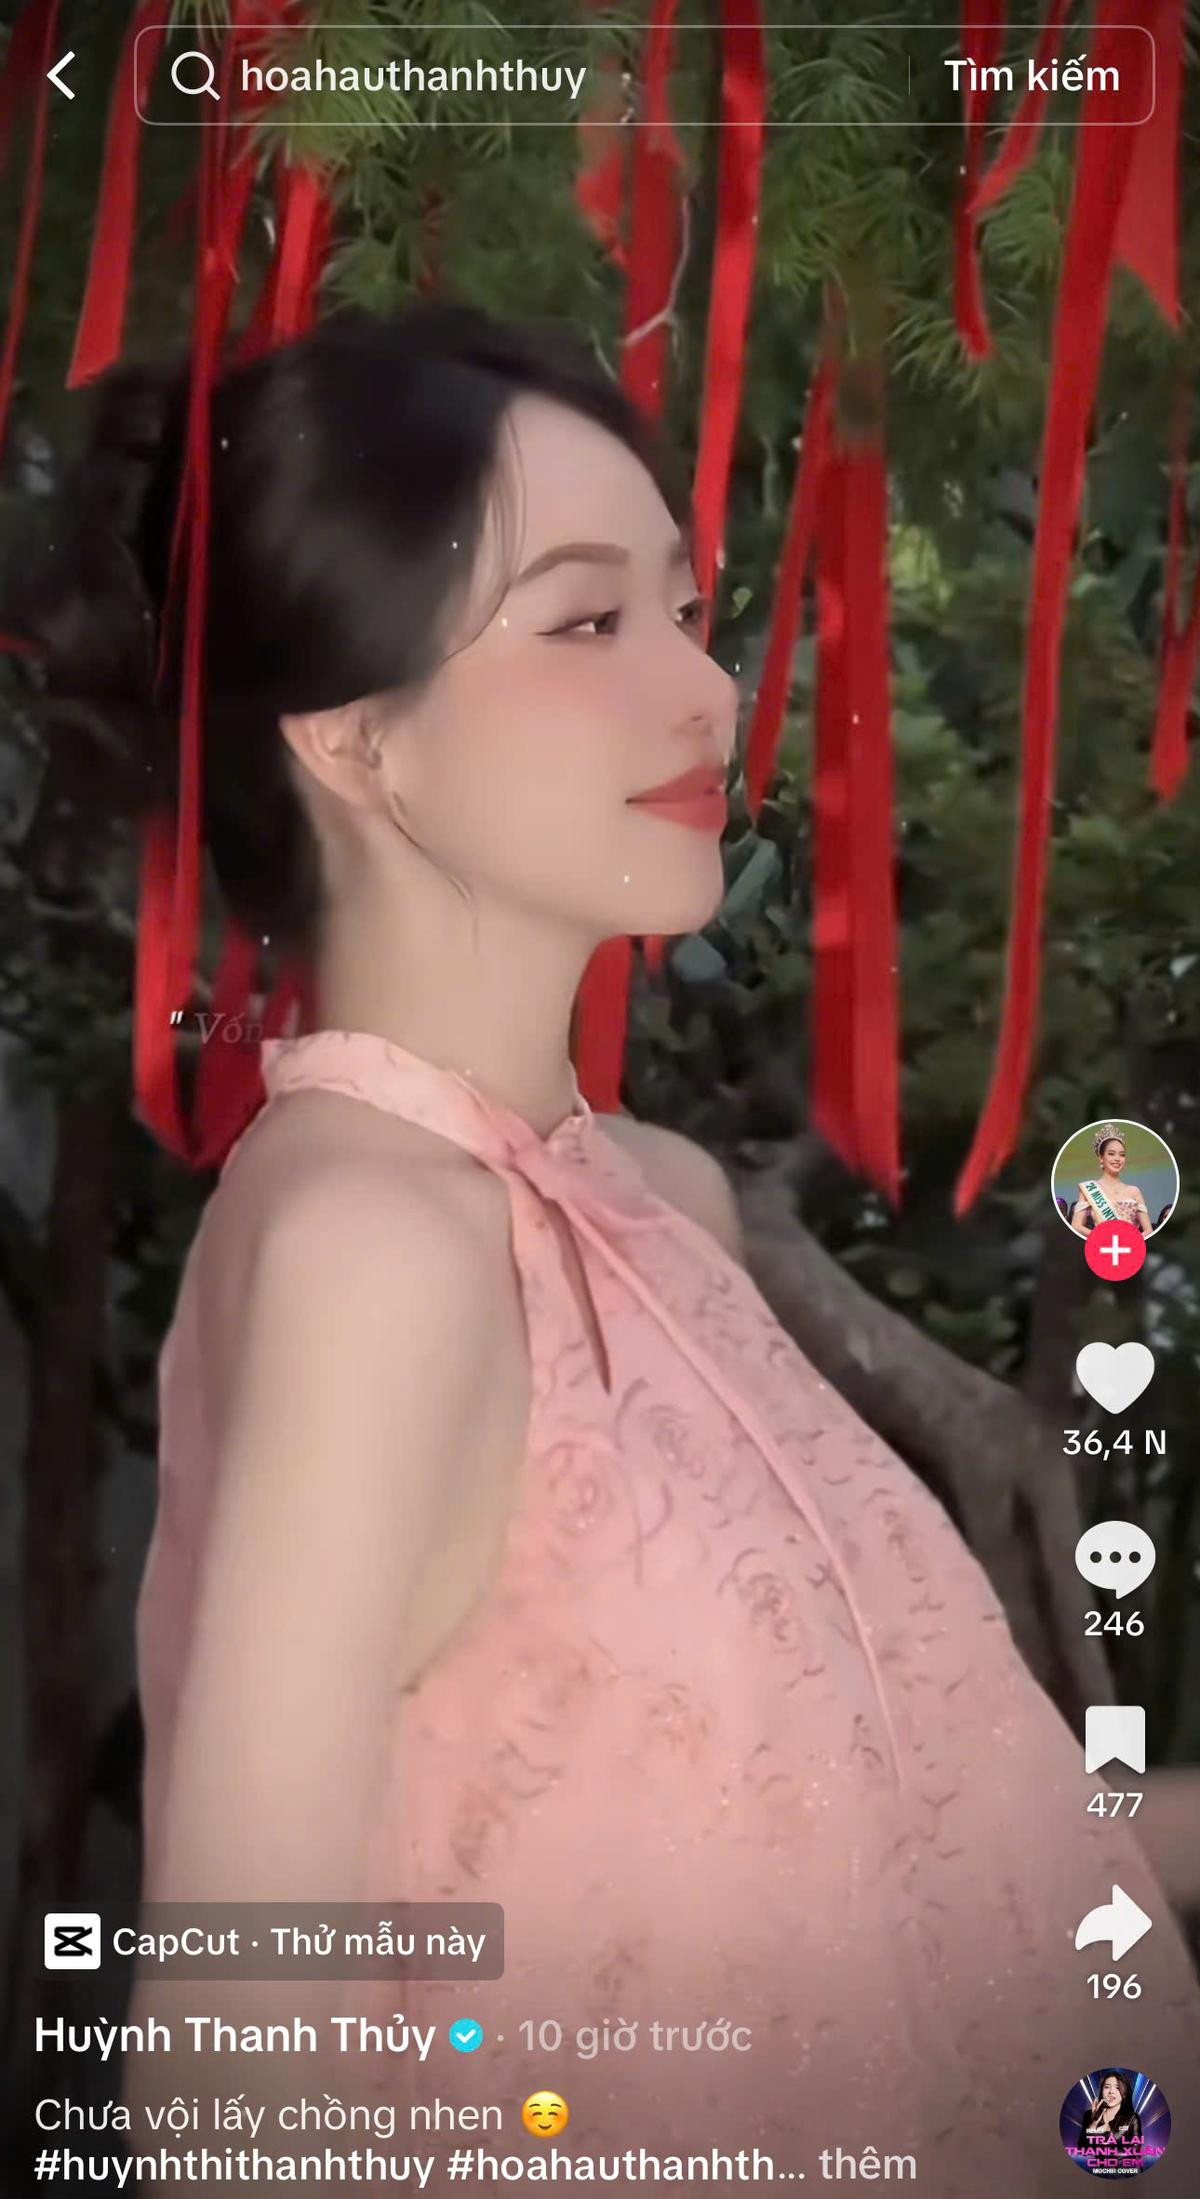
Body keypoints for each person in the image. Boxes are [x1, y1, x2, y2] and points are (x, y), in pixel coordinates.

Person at [7, 302, 1200, 2197]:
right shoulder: (367, 1243)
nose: (706, 689)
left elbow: (935, 1842)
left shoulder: (656, 1196)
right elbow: (233, 2066)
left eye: (684, 609)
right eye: (585, 623)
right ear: (354, 738)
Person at [1069, 1123, 1153, 1235]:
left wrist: (1132, 1242)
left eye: (1122, 1155)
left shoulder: (1134, 1191)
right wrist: (1101, 1238)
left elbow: (1148, 1230)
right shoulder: (1089, 1188)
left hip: (1129, 1244)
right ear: (1101, 1158)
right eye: (1111, 1154)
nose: (1117, 1159)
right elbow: (1076, 1226)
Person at [1079, 2069, 1143, 2150]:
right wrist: (1094, 2124)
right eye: (1107, 2087)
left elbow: (1135, 2150)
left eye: (1117, 2088)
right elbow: (1082, 2149)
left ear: (1125, 2094)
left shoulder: (1132, 2119)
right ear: (1102, 2091)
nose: (1111, 2092)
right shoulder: (1089, 2115)